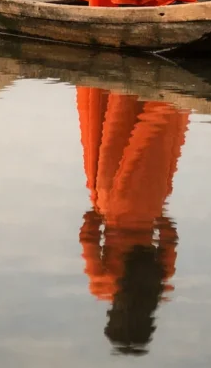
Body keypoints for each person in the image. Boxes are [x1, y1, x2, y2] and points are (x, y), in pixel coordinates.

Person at [76, 86, 188, 354]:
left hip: (150, 198)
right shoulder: (101, 285)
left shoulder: (162, 284)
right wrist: (99, 211)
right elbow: (88, 234)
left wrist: (154, 216)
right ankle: (123, 83)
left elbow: (170, 237)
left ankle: (156, 88)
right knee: (117, 120)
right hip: (111, 199)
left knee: (153, 132)